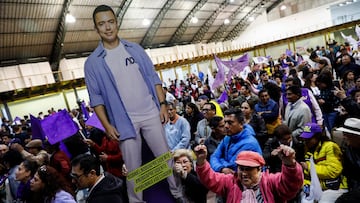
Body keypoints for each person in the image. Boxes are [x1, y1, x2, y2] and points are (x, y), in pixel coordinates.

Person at [84, 5, 182, 202]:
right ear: (96, 29)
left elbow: (154, 78)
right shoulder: (93, 63)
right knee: (134, 167)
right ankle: (136, 201)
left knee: (165, 158)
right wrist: (107, 125)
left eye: (111, 22)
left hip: (150, 113)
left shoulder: (135, 49)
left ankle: (178, 194)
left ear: (116, 23)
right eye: (102, 24)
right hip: (124, 122)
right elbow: (96, 99)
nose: (108, 27)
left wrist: (162, 105)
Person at [194, 144, 303, 202]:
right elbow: (211, 179)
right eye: (241, 168)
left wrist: (290, 164)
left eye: (249, 169)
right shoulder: (231, 181)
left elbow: (291, 184)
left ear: (259, 169)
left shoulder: (270, 181)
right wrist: (201, 161)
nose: (244, 173)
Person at [299, 123, 348, 202]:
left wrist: (309, 167)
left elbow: (334, 171)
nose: (306, 141)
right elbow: (306, 176)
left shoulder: (330, 146)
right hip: (315, 187)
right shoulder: (305, 149)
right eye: (304, 138)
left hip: (335, 187)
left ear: (318, 136)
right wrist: (305, 186)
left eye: (309, 139)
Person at [210, 108, 262, 174]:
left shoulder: (250, 143)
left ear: (241, 124)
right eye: (225, 122)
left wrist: (220, 161)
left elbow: (233, 167)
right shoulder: (227, 137)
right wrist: (222, 168)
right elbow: (214, 156)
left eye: (230, 123)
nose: (226, 126)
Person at [336, 118, 360, 191]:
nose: (344, 137)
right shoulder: (348, 150)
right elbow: (348, 174)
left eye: (347, 134)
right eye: (344, 134)